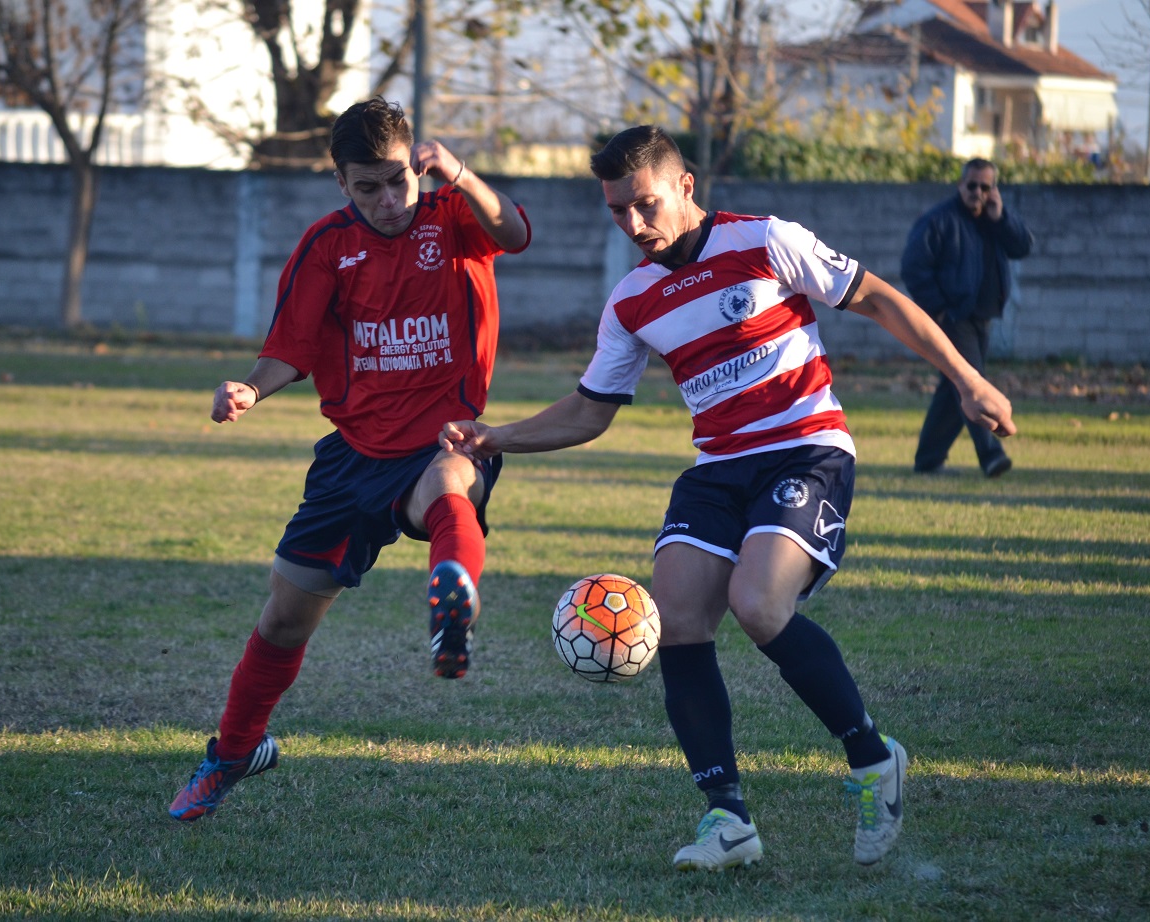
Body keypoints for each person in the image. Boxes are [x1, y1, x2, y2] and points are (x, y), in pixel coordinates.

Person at [441, 126, 1016, 870]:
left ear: (684, 187)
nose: (632, 225)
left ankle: (873, 759)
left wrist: (968, 380)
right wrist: (495, 437)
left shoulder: (766, 241)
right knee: (677, 617)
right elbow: (590, 409)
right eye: (616, 211)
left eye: (643, 205)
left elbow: (876, 299)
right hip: (716, 468)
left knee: (757, 603)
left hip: (806, 449)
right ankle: (727, 819)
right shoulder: (630, 302)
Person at [168, 97, 530, 822]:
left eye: (398, 181)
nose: (389, 201)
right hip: (353, 456)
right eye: (368, 187)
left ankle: (453, 593)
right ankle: (234, 751)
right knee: (282, 622)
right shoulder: (327, 246)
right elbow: (289, 351)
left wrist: (456, 172)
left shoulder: (450, 215)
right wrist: (249, 388)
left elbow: (514, 232)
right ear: (342, 184)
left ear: (417, 166)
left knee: (450, 484)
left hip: (442, 436)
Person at [902, 157, 1033, 477]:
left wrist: (1000, 218)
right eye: (972, 185)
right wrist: (940, 309)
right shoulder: (939, 220)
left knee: (954, 387)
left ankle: (928, 459)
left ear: (994, 190)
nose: (977, 192)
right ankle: (991, 455)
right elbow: (913, 267)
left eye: (985, 187)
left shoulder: (994, 219)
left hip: (983, 318)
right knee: (972, 383)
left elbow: (1023, 246)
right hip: (953, 319)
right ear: (961, 185)